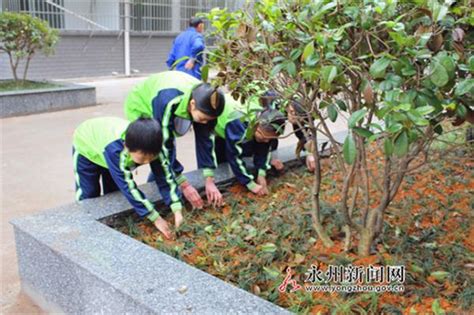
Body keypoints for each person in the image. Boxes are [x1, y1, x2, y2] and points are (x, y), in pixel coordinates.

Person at [124, 71, 226, 214]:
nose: (204, 122)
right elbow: (164, 147)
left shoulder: (208, 105)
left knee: (165, 157)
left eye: (208, 119)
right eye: (203, 118)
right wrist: (184, 184)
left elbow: (206, 139)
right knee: (153, 152)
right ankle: (161, 191)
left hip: (169, 101)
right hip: (142, 105)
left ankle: (161, 186)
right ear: (192, 104)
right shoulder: (167, 100)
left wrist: (209, 180)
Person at [72, 117, 175, 239]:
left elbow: (165, 175)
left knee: (113, 193)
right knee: (89, 194)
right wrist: (155, 218)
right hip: (87, 148)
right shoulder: (116, 150)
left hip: (108, 151)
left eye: (150, 159)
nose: (146, 162)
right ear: (127, 146)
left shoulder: (153, 146)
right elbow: (128, 186)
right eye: (141, 160)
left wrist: (176, 207)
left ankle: (109, 229)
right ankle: (86, 232)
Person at [214, 95, 287, 195]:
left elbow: (264, 148)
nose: (266, 141)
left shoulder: (268, 119)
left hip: (241, 127)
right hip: (218, 126)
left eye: (269, 139)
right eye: (264, 137)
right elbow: (234, 156)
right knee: (224, 155)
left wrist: (261, 173)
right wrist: (250, 184)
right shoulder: (238, 124)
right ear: (256, 125)